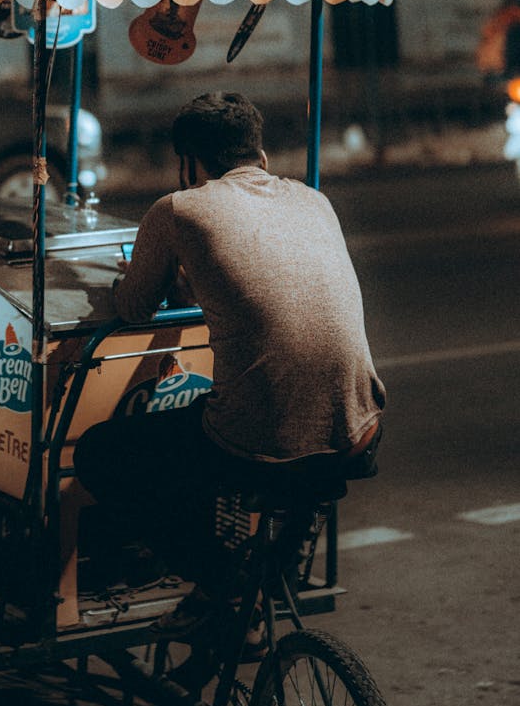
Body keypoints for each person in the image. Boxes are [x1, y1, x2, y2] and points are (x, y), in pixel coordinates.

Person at [74, 92, 385, 634]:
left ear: (188, 164)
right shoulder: (315, 200)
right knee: (217, 415)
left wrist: (169, 280)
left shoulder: (179, 208)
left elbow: (131, 306)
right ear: (259, 156)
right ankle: (251, 599)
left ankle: (219, 579)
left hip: (261, 443)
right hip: (361, 427)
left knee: (102, 453)